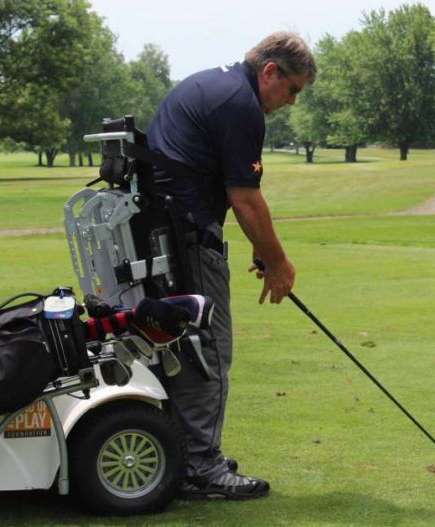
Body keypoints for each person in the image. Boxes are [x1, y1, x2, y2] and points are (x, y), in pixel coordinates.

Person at [146, 32, 317, 500]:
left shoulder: (211, 84)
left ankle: (182, 454)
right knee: (209, 350)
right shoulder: (241, 106)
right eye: (293, 90)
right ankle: (200, 467)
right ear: (270, 72)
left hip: (162, 236)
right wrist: (278, 263)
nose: (291, 102)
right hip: (186, 240)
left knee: (182, 347)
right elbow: (246, 199)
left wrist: (261, 251)